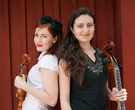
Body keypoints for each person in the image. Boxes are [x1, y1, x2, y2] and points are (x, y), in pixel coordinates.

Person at [58, 7, 127, 110]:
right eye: (80, 26)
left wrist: (112, 95)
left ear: (94, 27)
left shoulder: (102, 55)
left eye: (89, 25)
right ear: (72, 29)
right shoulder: (67, 60)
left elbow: (103, 88)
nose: (86, 30)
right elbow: (64, 101)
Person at [14, 15, 63, 110]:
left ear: (55, 39)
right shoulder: (47, 59)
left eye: (44, 36)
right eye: (36, 35)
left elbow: (52, 100)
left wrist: (23, 85)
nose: (38, 40)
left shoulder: (47, 61)